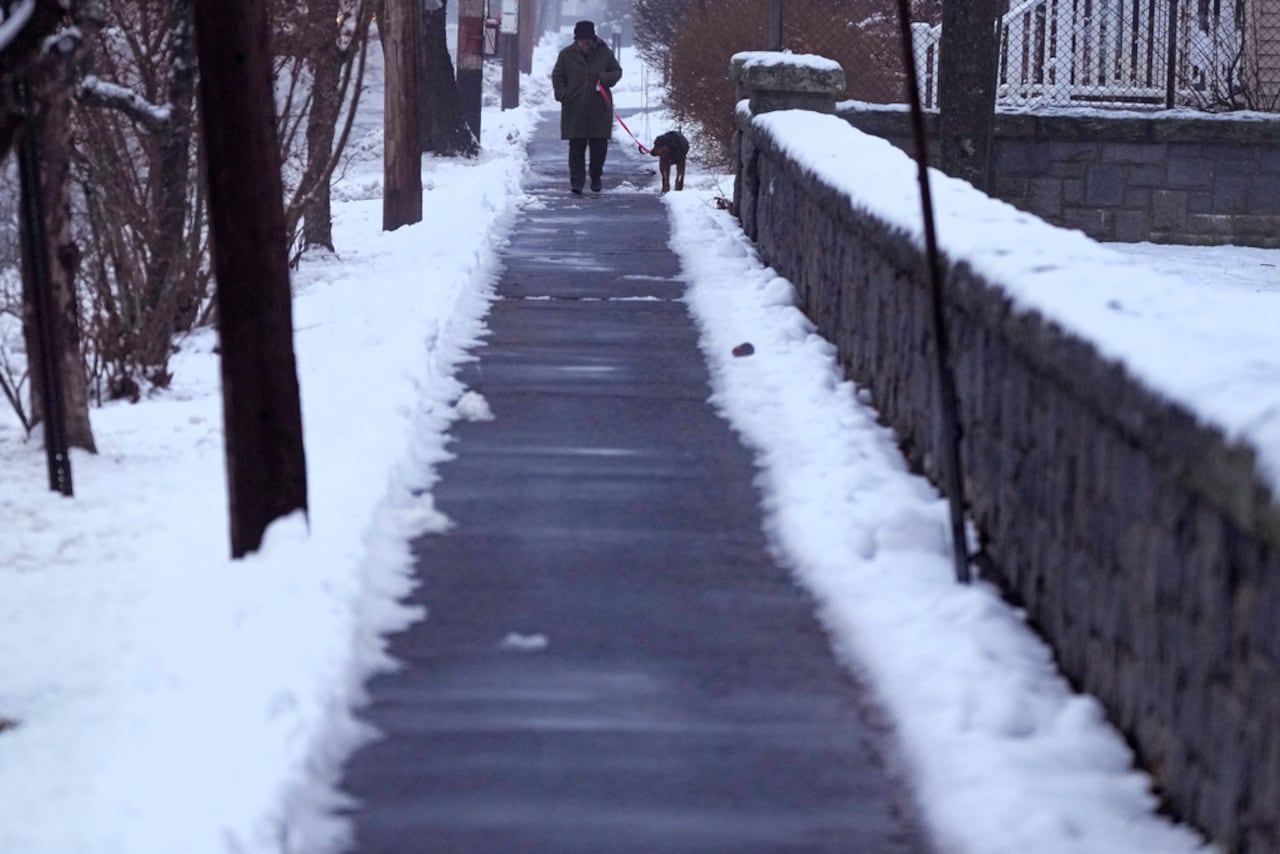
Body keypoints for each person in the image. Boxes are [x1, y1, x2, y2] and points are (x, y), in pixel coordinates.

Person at [551, 21, 622, 194]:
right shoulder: (566, 55)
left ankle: (596, 177)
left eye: (589, 40)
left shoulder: (604, 53)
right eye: (582, 40)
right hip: (574, 107)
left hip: (600, 108)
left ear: (594, 38)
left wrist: (604, 78)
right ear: (576, 40)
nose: (586, 44)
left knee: (599, 146)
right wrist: (562, 93)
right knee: (576, 147)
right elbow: (557, 75)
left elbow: (617, 71)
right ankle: (577, 181)